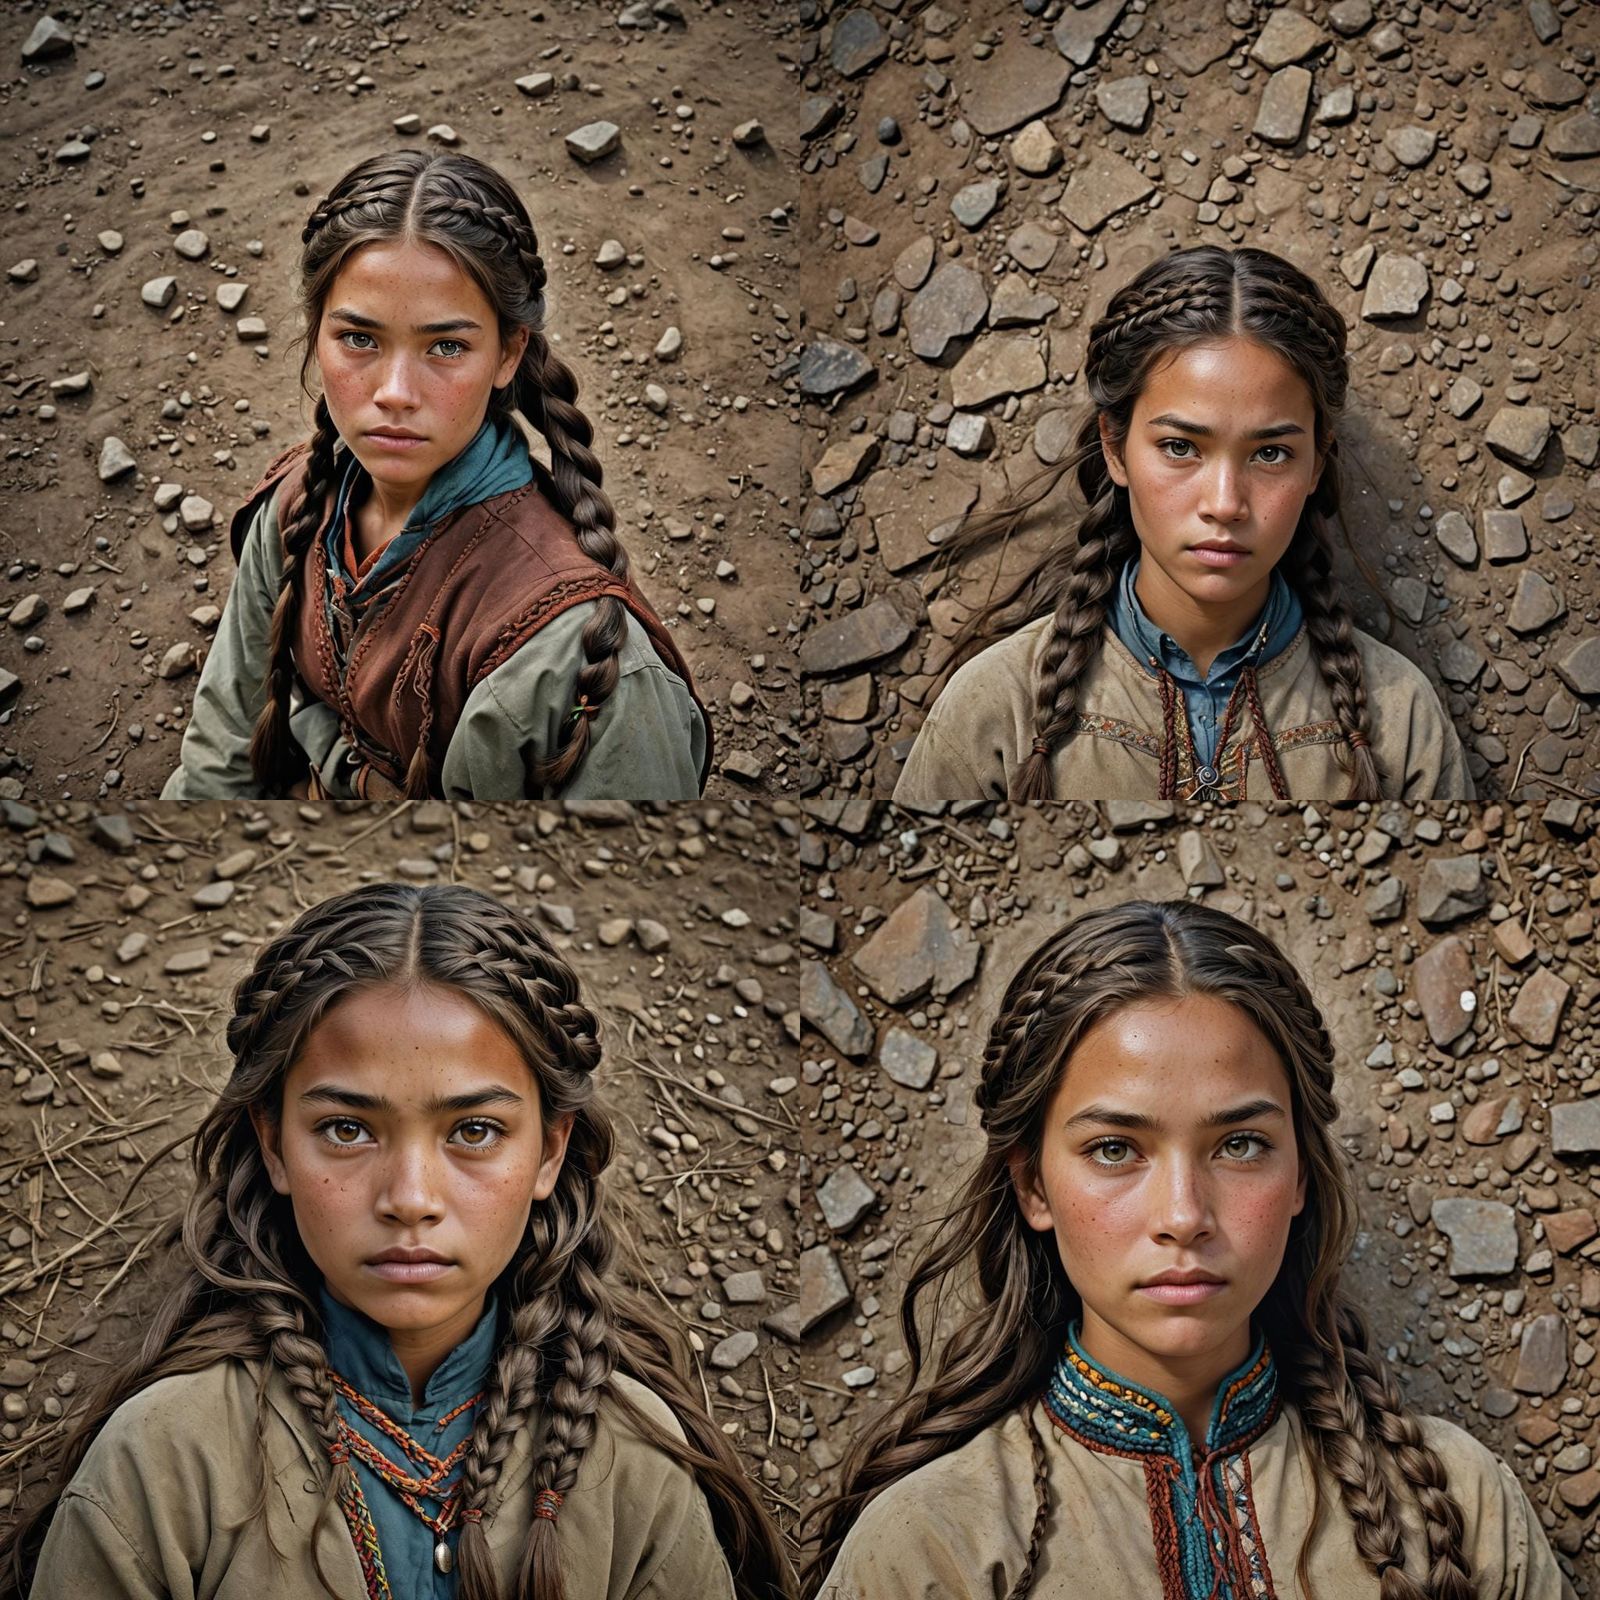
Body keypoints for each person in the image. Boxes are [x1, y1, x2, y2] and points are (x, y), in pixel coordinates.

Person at [7, 883, 792, 1600]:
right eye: (346, 1129)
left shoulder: (632, 1461)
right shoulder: (165, 1461)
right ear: (275, 1144)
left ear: (550, 1151)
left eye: (475, 1131)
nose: (410, 1199)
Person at [806, 900, 1565, 1600]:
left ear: (1299, 1172)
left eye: (1239, 1144)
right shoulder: (924, 1550)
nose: (1183, 1215)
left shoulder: (1462, 1509)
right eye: (1113, 1149)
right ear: (1034, 1186)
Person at [162, 150, 711, 803]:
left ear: (508, 353)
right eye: (360, 339)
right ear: (316, 336)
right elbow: (219, 755)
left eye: (446, 347)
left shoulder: (572, 656)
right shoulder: (294, 508)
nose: (395, 393)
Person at [891, 245, 1474, 805]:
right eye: (1179, 447)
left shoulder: (1400, 722)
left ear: (1317, 462)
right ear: (1115, 449)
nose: (1225, 503)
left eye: (1270, 454)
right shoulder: (995, 712)